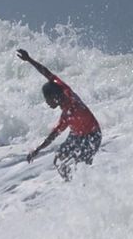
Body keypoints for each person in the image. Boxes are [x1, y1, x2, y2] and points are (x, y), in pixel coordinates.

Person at [17, 49, 101, 180]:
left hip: (92, 136)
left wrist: (37, 150)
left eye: (47, 99)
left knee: (81, 164)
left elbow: (53, 135)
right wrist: (29, 60)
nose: (47, 103)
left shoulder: (70, 109)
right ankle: (71, 184)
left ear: (54, 97)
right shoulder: (61, 88)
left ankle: (87, 186)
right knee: (59, 159)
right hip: (76, 135)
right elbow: (47, 73)